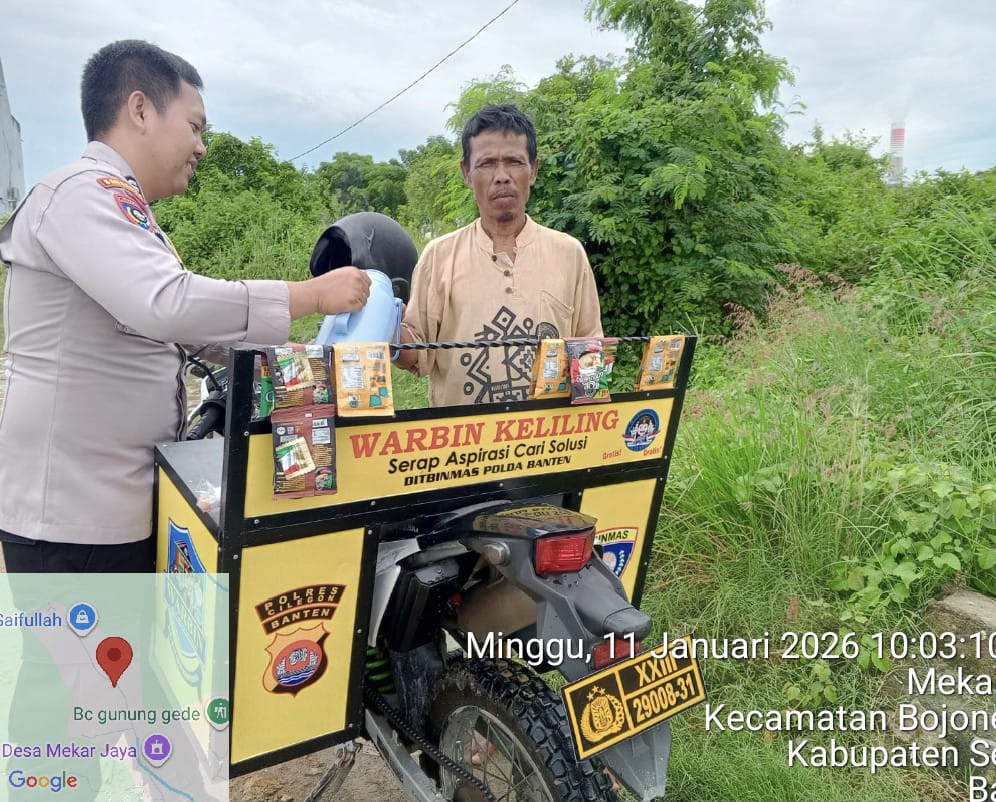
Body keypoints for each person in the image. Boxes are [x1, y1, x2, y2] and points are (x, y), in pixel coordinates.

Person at [0, 40, 372, 573]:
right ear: (140, 110)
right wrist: (310, 295)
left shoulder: (122, 210)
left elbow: (185, 332)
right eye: (195, 127)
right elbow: (167, 303)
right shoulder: (80, 193)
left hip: (112, 504)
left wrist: (301, 360)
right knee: (89, 634)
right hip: (72, 516)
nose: (201, 148)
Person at [397, 104, 602, 406]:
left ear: (533, 170)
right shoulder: (439, 257)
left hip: (550, 435)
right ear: (467, 173)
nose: (502, 177)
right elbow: (415, 353)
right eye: (487, 164)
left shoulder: (569, 253)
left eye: (514, 162)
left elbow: (589, 350)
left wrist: (592, 418)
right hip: (463, 435)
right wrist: (381, 321)